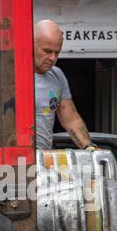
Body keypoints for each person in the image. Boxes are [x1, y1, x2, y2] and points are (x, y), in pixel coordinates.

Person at [34, 19, 97, 151]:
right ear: (31, 44)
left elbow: (71, 120)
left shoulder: (57, 76)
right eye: (47, 51)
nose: (52, 58)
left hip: (43, 159)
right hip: (13, 160)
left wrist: (89, 147)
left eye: (56, 52)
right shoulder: (12, 75)